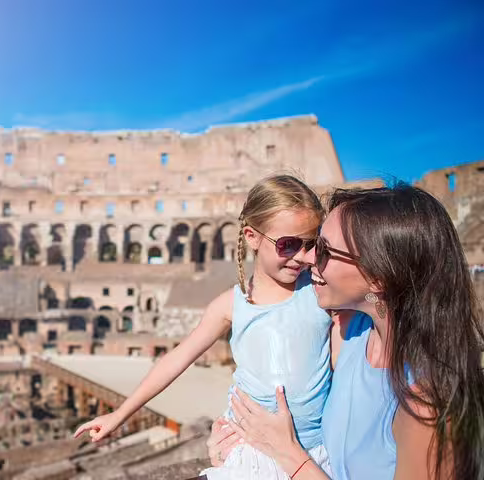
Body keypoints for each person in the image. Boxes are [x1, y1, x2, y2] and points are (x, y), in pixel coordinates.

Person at [207, 184, 484, 479]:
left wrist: (288, 453)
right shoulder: (351, 335)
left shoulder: (426, 406)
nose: (309, 258)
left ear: (378, 277)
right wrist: (240, 437)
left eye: (323, 249)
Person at [74, 175, 335, 479]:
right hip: (249, 447)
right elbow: (176, 359)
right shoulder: (232, 304)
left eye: (311, 244)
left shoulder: (322, 291)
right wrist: (119, 414)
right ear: (251, 237)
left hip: (312, 451)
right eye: (288, 245)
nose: (303, 257)